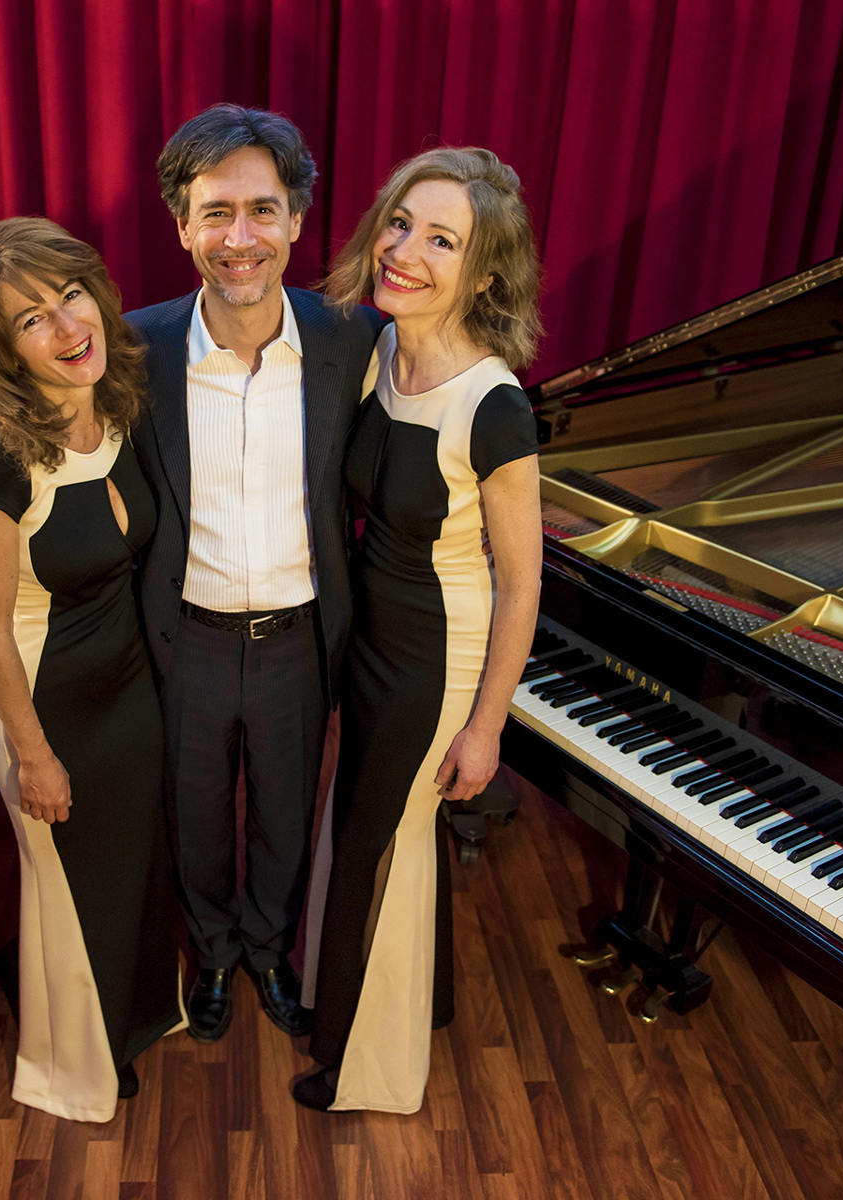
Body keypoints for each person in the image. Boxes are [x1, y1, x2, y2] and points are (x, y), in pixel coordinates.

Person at [294, 148, 544, 1113]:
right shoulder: (381, 351)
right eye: (400, 224)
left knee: (378, 839)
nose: (405, 251)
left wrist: (486, 728)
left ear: (483, 273)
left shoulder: (494, 406)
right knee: (379, 825)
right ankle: (393, 1002)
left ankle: (373, 1070)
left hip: (436, 661)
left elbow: (521, 584)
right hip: (373, 640)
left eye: (442, 240)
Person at [126, 105, 382, 1043]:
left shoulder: (355, 340)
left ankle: (268, 950)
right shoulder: (131, 350)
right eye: (216, 213)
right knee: (192, 818)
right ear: (181, 225)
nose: (241, 239)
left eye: (263, 211)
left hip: (299, 639)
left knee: (285, 815)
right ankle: (212, 951)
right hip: (184, 637)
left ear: (298, 220)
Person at [0, 217, 184, 1123]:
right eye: (30, 320)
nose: (68, 327)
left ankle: (137, 1016)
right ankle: (72, 1067)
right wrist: (33, 757)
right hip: (49, 702)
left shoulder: (114, 407)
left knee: (132, 863)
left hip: (127, 684)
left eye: (70, 296)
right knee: (68, 885)